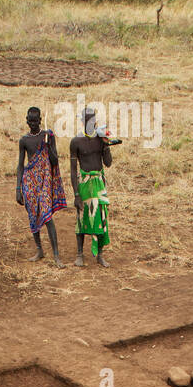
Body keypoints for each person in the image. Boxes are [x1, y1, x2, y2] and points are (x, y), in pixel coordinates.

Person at [16, 106, 66, 267]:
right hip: (29, 181)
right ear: (26, 120)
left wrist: (49, 145)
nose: (33, 124)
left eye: (35, 121)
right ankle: (39, 250)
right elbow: (20, 165)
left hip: (44, 180)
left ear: (40, 120)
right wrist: (18, 188)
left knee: (47, 215)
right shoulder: (24, 140)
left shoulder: (48, 136)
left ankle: (56, 256)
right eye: (30, 121)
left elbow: (55, 160)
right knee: (33, 215)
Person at [70, 105, 112, 268]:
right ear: (82, 121)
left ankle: (100, 254)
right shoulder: (76, 142)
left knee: (102, 216)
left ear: (95, 121)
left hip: (99, 183)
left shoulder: (100, 139)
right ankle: (80, 254)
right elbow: (73, 171)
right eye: (87, 120)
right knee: (81, 217)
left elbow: (108, 163)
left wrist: (106, 144)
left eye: (92, 119)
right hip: (85, 183)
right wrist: (76, 195)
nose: (90, 123)